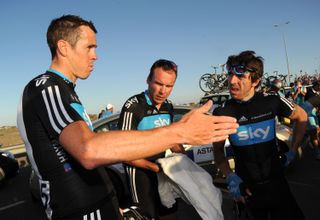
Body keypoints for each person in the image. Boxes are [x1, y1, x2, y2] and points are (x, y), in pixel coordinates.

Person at [16, 15, 238, 220]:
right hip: (82, 211)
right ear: (63, 47)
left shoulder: (66, 90)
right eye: (89, 47)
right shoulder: (46, 87)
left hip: (101, 204)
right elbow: (88, 150)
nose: (95, 55)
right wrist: (179, 131)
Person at [212, 50, 307, 220]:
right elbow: (218, 152)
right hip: (247, 190)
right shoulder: (222, 111)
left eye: (240, 77)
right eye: (230, 74)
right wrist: (230, 176)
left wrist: (292, 150)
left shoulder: (272, 101)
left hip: (278, 186)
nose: (232, 81)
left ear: (255, 81)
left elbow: (302, 117)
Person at [118, 59, 184, 220]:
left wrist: (183, 157)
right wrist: (155, 167)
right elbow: (123, 153)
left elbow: (171, 139)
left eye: (169, 86)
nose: (163, 91)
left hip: (162, 171)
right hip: (140, 174)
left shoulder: (168, 106)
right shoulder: (133, 106)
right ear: (148, 80)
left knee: (170, 214)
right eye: (159, 84)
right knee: (148, 217)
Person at [301, 95, 320, 160]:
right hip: (308, 110)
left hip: (307, 109)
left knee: (312, 130)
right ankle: (317, 152)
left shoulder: (316, 98)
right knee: (313, 130)